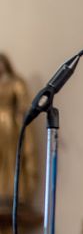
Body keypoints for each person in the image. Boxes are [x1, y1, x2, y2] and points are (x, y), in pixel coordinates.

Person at [0, 53, 37, 208]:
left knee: (10, 159)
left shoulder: (16, 82)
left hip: (9, 127)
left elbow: (23, 105)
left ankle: (11, 192)